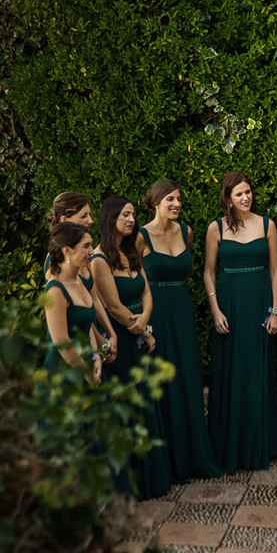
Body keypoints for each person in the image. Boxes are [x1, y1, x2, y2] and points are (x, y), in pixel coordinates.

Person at [139, 179, 222, 483]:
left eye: (178, 199)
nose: (176, 204)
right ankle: (166, 462)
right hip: (156, 312)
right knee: (161, 380)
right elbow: (132, 278)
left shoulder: (186, 231)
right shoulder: (140, 236)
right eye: (169, 199)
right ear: (156, 202)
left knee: (187, 378)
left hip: (183, 311)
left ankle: (192, 457)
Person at [204, 171, 277, 472]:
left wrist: (276, 311)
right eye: (239, 193)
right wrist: (215, 310)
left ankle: (260, 443)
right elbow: (208, 272)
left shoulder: (267, 225)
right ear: (228, 198)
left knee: (256, 372)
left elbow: (276, 270)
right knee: (230, 372)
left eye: (249, 191)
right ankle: (229, 445)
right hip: (229, 304)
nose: (246, 197)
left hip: (259, 303)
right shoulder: (215, 228)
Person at [94, 194, 172, 499]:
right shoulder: (99, 259)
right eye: (125, 215)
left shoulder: (132, 251)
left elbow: (147, 291)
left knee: (146, 403)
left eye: (133, 215)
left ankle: (155, 477)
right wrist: (138, 328)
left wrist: (147, 324)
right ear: (110, 218)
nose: (131, 220)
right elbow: (112, 305)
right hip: (122, 339)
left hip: (141, 333)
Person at [42, 221, 106, 382]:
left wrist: (95, 355)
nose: (92, 251)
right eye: (86, 246)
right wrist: (86, 374)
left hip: (86, 364)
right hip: (64, 373)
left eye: (91, 245)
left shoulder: (79, 281)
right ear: (67, 250)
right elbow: (61, 341)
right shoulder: (55, 290)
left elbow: (87, 324)